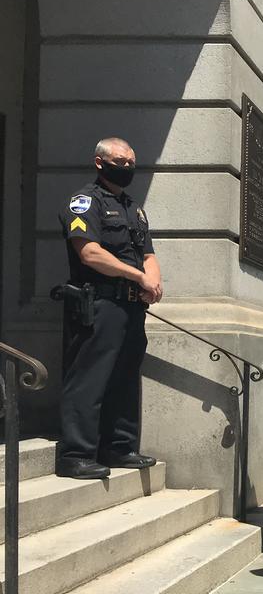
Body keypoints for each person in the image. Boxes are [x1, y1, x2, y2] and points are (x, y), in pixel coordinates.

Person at [55, 137, 162, 480]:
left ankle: (119, 447)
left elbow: (148, 253)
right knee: (89, 377)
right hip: (98, 302)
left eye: (131, 162)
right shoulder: (86, 202)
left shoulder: (134, 208)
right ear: (100, 162)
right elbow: (89, 253)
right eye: (120, 161)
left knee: (125, 377)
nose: (127, 167)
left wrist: (153, 283)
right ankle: (76, 453)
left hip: (131, 306)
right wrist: (138, 276)